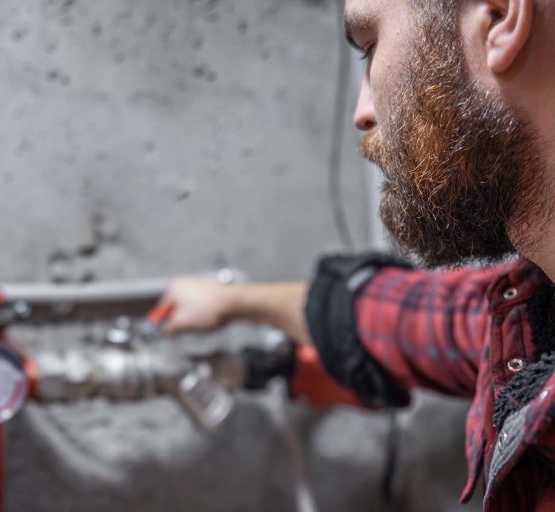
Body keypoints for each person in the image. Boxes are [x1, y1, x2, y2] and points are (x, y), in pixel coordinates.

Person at [157, 0, 555, 510]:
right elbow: (420, 321)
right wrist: (233, 302)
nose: (362, 111)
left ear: (499, 18)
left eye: (370, 46)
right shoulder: (533, 311)